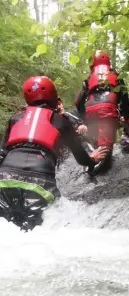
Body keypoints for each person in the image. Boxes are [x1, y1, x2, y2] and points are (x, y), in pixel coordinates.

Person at [0, 76, 107, 230]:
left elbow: (2, 154)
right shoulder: (61, 121)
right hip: (40, 181)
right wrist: (92, 159)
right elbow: (80, 156)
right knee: (33, 233)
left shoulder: (15, 119)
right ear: (53, 98)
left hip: (4, 179)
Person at [75, 50, 129, 166]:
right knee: (106, 151)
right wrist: (126, 115)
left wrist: (84, 119)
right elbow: (124, 97)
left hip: (91, 110)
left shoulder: (89, 78)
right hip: (107, 109)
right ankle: (99, 162)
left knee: (96, 141)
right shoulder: (115, 75)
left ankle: (93, 155)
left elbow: (79, 102)